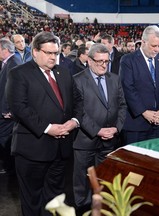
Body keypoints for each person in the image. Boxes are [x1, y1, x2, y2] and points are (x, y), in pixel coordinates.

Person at [5, 31, 83, 216]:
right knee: (32, 200)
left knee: (55, 199)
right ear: (35, 52)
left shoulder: (63, 72)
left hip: (61, 148)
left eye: (55, 53)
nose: (53, 57)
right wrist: (48, 128)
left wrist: (74, 121)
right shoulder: (18, 73)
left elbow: (78, 101)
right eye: (48, 53)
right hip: (32, 149)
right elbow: (19, 108)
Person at [73, 43, 126, 214]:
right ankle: (83, 210)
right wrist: (98, 131)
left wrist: (116, 128)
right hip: (85, 140)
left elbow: (122, 106)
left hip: (110, 139)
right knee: (83, 182)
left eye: (107, 61)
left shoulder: (115, 78)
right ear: (89, 61)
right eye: (99, 61)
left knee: (105, 179)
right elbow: (79, 112)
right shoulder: (77, 80)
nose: (104, 65)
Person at [120, 25, 159, 145]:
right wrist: (144, 112)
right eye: (153, 46)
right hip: (136, 123)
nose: (157, 49)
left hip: (157, 122)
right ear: (143, 42)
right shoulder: (128, 60)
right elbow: (128, 88)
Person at [0, 39, 22, 174]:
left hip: (7, 112)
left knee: (5, 138)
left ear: (5, 50)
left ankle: (9, 166)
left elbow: (13, 89)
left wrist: (8, 109)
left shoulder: (13, 63)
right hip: (5, 110)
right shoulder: (8, 62)